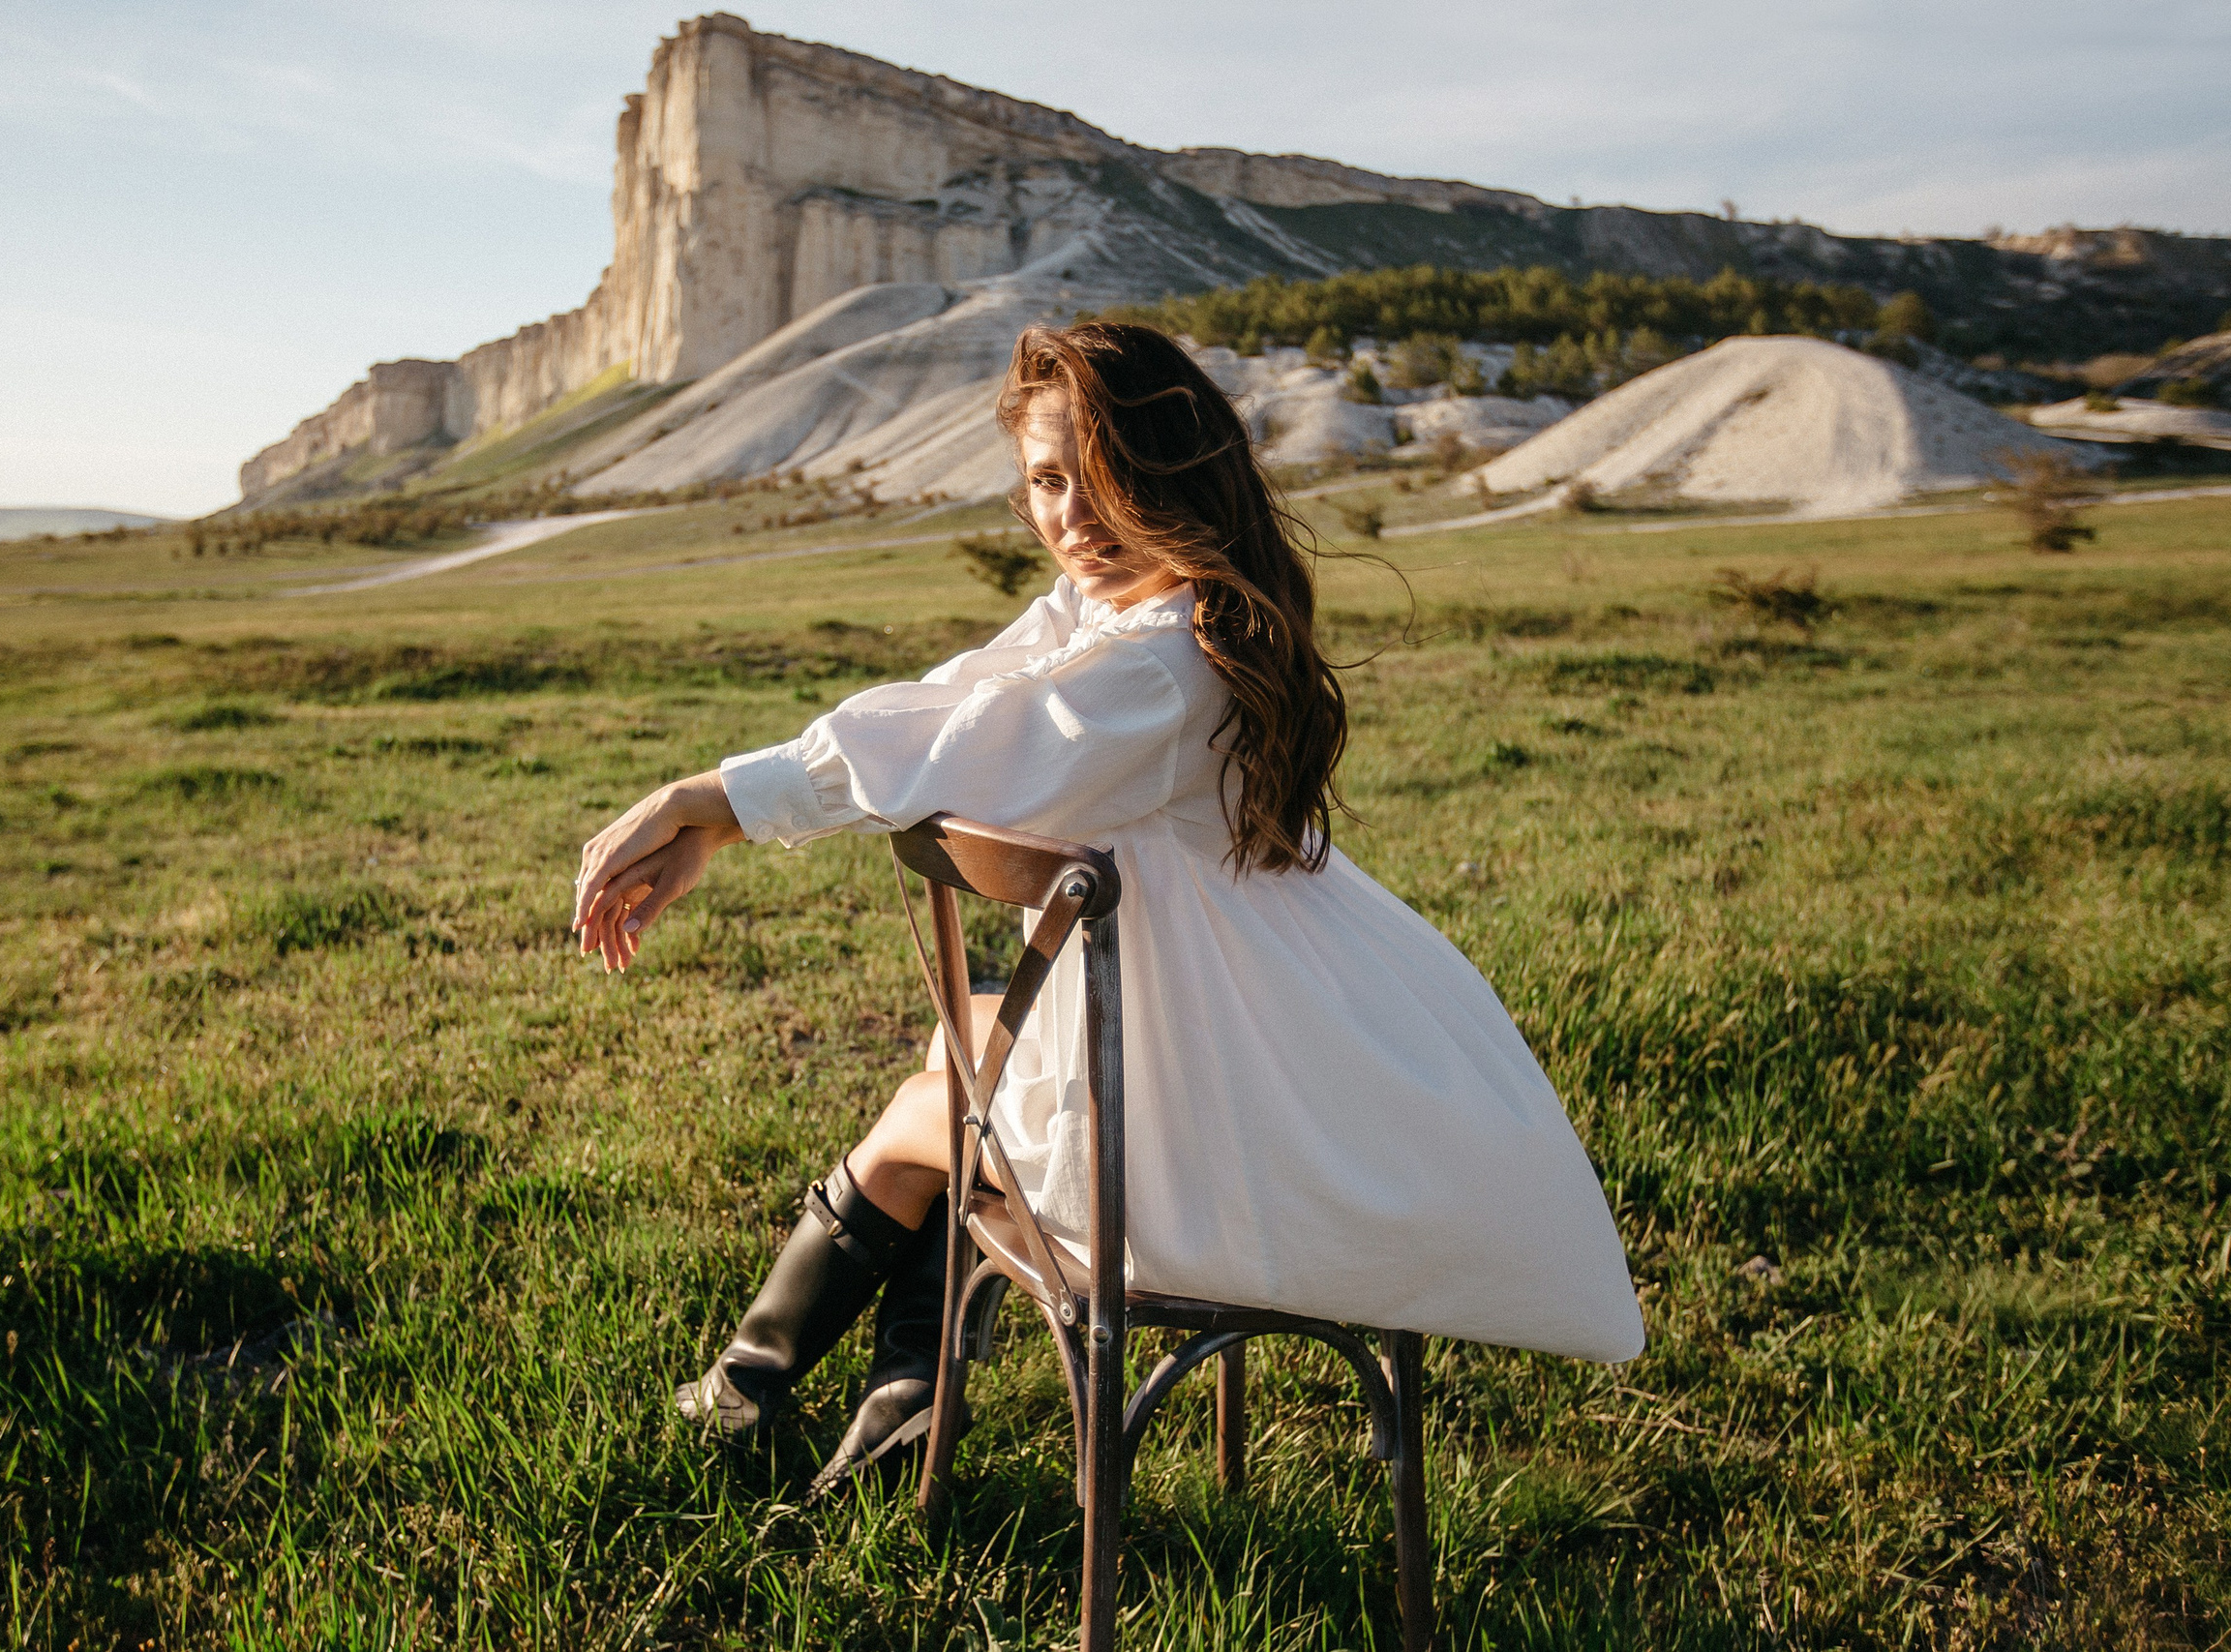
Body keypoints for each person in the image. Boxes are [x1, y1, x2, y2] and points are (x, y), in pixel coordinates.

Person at [572, 321, 1644, 1491]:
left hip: (1226, 1142)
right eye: (1044, 480)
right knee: (957, 1053)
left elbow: (966, 739)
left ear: (1175, 473)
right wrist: (726, 799)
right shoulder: (1132, 615)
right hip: (1263, 1044)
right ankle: (886, 1409)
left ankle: (755, 1399)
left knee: (926, 1113)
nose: (1070, 515)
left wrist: (712, 800)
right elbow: (954, 699)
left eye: (1106, 478)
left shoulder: (1155, 665)